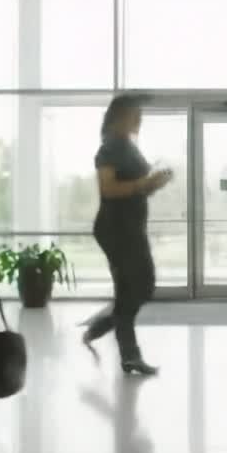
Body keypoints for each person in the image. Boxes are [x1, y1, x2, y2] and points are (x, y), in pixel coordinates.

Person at [82, 94, 173, 376]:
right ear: (120, 116)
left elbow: (137, 185)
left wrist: (155, 182)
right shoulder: (110, 147)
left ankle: (102, 330)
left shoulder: (128, 147)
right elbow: (108, 189)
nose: (139, 118)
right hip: (115, 229)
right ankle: (127, 353)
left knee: (140, 286)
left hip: (131, 228)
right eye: (135, 113)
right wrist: (145, 183)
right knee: (134, 287)